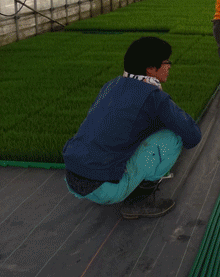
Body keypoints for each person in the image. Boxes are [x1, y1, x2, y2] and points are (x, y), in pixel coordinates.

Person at [62, 36, 202, 219]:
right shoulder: (154, 97)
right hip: (105, 189)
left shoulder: (112, 84)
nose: (169, 66)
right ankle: (138, 201)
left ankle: (116, 186)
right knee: (172, 137)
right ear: (151, 69)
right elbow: (193, 136)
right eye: (166, 62)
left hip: (73, 178)